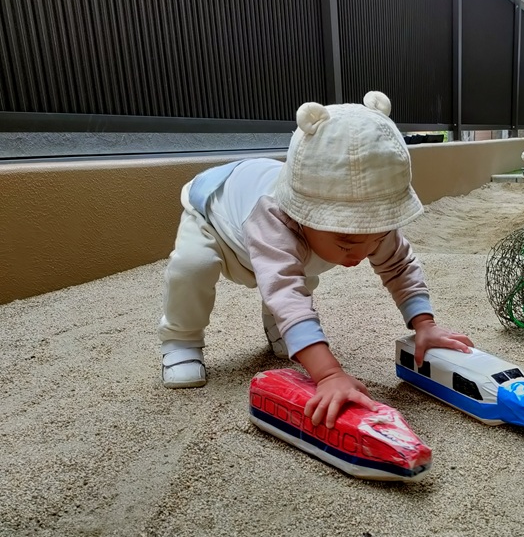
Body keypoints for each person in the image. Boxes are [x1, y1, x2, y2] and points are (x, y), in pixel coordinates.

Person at [159, 90, 474, 429]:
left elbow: (398, 265)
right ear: (303, 215)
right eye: (347, 241)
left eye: (376, 235)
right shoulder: (273, 216)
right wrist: (329, 374)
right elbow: (284, 289)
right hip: (217, 221)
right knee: (194, 266)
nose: (363, 252)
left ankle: (277, 324)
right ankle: (181, 338)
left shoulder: (369, 227)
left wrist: (424, 324)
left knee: (299, 270)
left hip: (289, 247)